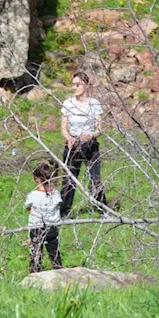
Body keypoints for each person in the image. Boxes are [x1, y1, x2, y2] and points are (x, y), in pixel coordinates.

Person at [60, 71, 106, 217]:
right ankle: (63, 212)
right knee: (69, 179)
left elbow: (99, 128)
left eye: (78, 84)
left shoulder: (94, 103)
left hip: (90, 145)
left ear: (86, 85)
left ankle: (102, 209)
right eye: (73, 85)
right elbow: (63, 127)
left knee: (94, 179)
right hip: (72, 145)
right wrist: (68, 138)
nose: (75, 87)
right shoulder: (68, 103)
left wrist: (91, 135)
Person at [25, 161, 64, 273]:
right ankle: (58, 269)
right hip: (52, 227)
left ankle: (34, 271)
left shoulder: (33, 195)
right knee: (54, 251)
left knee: (35, 251)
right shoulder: (56, 193)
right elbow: (58, 205)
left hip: (36, 227)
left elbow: (28, 207)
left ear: (36, 179)